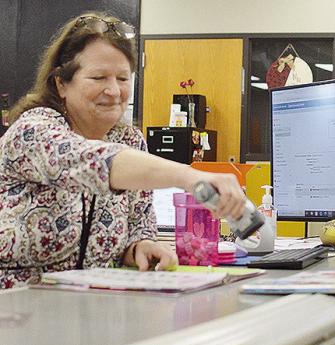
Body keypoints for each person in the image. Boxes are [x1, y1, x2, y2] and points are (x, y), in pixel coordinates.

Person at [0, 12, 246, 289]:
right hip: (19, 311)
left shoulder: (130, 140)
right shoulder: (33, 131)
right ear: (61, 83)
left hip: (97, 311)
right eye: (98, 77)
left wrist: (140, 246)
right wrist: (190, 177)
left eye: (122, 78)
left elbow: (139, 223)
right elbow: (92, 161)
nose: (114, 91)